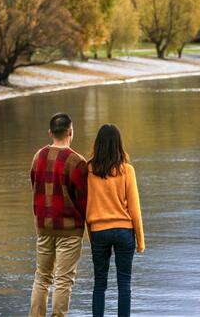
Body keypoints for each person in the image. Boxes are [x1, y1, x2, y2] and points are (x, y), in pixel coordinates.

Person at [28, 112, 89, 317]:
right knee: (64, 279)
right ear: (70, 131)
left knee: (42, 277)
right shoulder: (77, 161)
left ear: (50, 132)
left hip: (44, 226)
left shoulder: (39, 156)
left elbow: (34, 186)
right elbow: (83, 199)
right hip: (69, 230)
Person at [86, 124, 144, 317]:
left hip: (99, 231)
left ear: (98, 145)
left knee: (99, 284)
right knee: (124, 284)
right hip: (124, 231)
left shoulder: (88, 170)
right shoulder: (127, 170)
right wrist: (141, 241)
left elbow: (86, 206)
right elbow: (134, 208)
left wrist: (90, 234)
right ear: (119, 144)